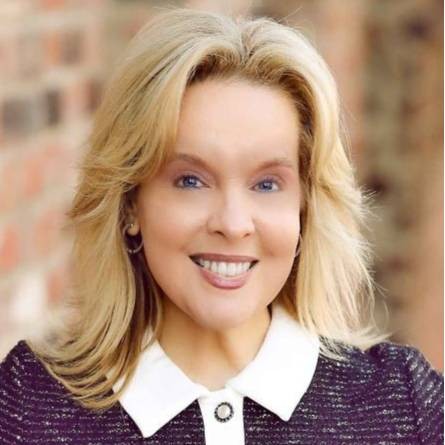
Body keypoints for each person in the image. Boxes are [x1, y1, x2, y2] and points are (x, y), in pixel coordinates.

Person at [0, 7, 443, 445]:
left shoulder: (407, 408)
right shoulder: (25, 408)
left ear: (304, 208)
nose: (233, 224)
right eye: (191, 180)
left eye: (267, 184)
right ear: (131, 202)